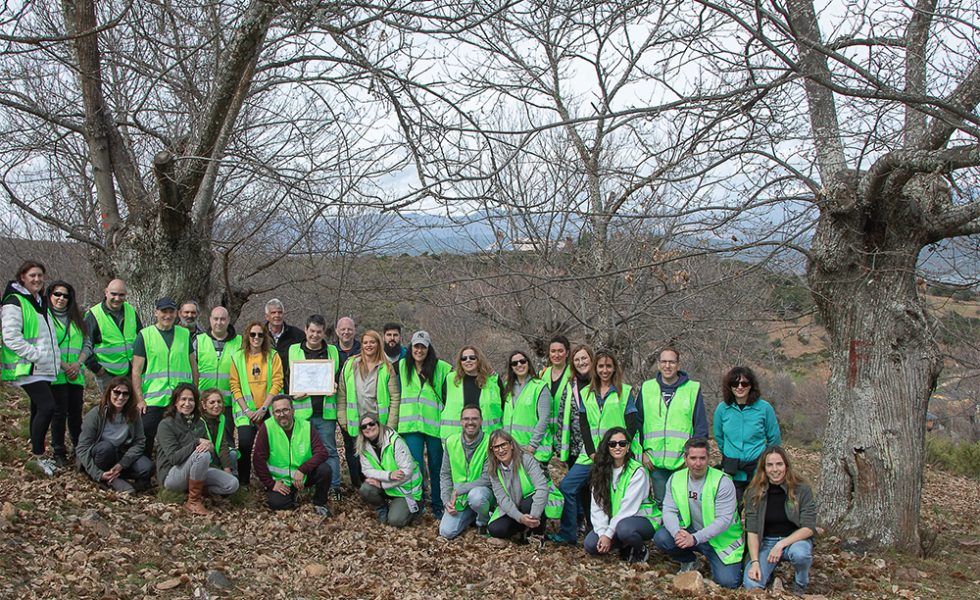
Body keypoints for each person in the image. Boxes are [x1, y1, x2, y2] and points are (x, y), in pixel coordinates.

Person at [552, 349, 638, 546]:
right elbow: (583, 424)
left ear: (614, 367)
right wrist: (591, 451)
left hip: (616, 452)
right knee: (568, 486)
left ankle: (609, 535)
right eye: (601, 366)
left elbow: (632, 424)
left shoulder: (624, 392)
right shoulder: (586, 393)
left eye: (608, 366)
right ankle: (568, 533)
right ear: (595, 368)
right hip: (590, 454)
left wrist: (620, 448)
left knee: (609, 493)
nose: (604, 370)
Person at [654, 438, 743, 589]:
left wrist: (695, 538)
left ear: (708, 458)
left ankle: (741, 562)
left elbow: (724, 520)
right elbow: (669, 510)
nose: (698, 463)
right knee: (662, 537)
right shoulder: (676, 478)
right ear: (685, 458)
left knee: (729, 582)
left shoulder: (723, 482)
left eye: (702, 458)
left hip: (720, 540)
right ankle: (689, 559)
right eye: (693, 458)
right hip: (691, 532)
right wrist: (676, 533)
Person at [1, 260, 61, 475]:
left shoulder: (38, 300)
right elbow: (10, 337)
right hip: (28, 367)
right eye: (32, 275)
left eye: (40, 275)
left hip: (41, 367)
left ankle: (38, 454)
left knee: (38, 409)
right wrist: (37, 356)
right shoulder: (14, 301)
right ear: (22, 277)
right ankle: (37, 456)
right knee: (48, 407)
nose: (37, 279)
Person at [637, 347, 709, 506]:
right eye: (663, 362)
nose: (667, 366)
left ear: (678, 365)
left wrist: (692, 457)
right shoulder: (647, 388)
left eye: (671, 362)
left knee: (684, 505)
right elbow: (637, 424)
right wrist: (641, 452)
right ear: (658, 364)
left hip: (682, 463)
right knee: (661, 505)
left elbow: (700, 427)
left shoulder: (692, 389)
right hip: (654, 462)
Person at [155, 384, 239, 515]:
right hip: (171, 475)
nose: (187, 403)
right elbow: (173, 458)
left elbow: (210, 447)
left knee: (232, 484)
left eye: (191, 400)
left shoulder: (199, 423)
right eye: (183, 399)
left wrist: (210, 446)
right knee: (202, 455)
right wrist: (197, 443)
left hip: (195, 468)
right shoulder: (166, 424)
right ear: (175, 402)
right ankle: (193, 502)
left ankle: (193, 489)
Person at [743, 446, 816, 596]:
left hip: (794, 540)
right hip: (766, 542)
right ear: (764, 468)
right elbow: (752, 530)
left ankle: (801, 584)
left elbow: (808, 527)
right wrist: (755, 562)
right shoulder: (754, 492)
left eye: (779, 464)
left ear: (786, 465)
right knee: (751, 585)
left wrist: (781, 544)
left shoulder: (802, 489)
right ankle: (768, 573)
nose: (775, 469)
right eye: (769, 465)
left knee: (800, 554)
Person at [131, 297, 198, 457]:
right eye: (163, 311)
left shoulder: (184, 334)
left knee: (181, 438)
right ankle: (144, 472)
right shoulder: (145, 335)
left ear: (176, 314)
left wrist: (194, 393)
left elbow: (194, 367)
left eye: (171, 312)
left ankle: (176, 473)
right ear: (156, 313)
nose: (167, 315)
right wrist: (139, 398)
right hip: (154, 399)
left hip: (180, 399)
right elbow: (136, 370)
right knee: (146, 435)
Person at [285, 314, 342, 499]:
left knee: (330, 451)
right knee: (301, 451)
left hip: (325, 412)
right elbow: (287, 380)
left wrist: (335, 386)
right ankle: (300, 485)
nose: (315, 335)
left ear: (323, 332)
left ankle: (334, 487)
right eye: (312, 331)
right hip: (301, 412)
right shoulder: (294, 350)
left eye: (319, 332)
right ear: (305, 330)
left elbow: (338, 378)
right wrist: (293, 393)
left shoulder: (333, 351)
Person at [396, 330, 452, 517]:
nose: (419, 350)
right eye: (416, 346)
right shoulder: (402, 366)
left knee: (437, 466)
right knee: (414, 466)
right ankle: (417, 503)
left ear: (428, 349)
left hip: (434, 425)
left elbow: (460, 378)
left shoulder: (442, 368)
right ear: (411, 347)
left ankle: (438, 503)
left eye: (423, 347)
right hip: (410, 426)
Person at [586, 427, 660, 563]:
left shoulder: (637, 471)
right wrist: (603, 533)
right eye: (612, 444)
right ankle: (623, 545)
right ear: (607, 447)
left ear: (628, 447)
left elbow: (628, 508)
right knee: (591, 544)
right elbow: (597, 506)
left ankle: (640, 549)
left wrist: (608, 535)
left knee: (625, 529)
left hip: (641, 519)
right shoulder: (601, 470)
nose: (617, 447)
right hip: (616, 521)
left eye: (622, 443)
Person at [337, 330, 400, 489]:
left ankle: (379, 490)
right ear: (361, 345)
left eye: (372, 342)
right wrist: (343, 418)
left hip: (378, 422)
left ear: (378, 344)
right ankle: (359, 487)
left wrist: (390, 424)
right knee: (355, 456)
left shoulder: (386, 367)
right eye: (365, 342)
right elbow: (342, 394)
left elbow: (394, 397)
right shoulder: (351, 364)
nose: (369, 345)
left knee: (377, 457)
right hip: (355, 420)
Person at [253, 395, 333, 515]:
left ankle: (319, 503)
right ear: (273, 413)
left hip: (303, 476)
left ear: (293, 410)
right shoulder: (267, 427)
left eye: (285, 410)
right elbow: (258, 459)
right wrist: (271, 483)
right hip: (281, 481)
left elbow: (322, 453)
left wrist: (302, 470)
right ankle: (295, 498)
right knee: (277, 504)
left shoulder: (306, 426)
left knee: (325, 470)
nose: (282, 414)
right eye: (277, 411)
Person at [714, 366, 781, 504]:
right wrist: (729, 454)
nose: (740, 387)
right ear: (730, 386)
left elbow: (774, 438)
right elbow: (719, 437)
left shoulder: (764, 408)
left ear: (751, 385)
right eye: (735, 383)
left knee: (757, 509)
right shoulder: (722, 409)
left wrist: (766, 460)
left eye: (744, 383)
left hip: (757, 469)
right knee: (732, 511)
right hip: (732, 470)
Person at [75, 377, 153, 493]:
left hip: (122, 454)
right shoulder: (96, 414)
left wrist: (122, 464)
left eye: (125, 394)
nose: (120, 397)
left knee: (147, 467)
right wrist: (98, 474)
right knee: (106, 448)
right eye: (116, 392)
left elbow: (139, 442)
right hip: (101, 454)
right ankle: (104, 478)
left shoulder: (133, 414)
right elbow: (82, 448)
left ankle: (117, 476)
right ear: (109, 392)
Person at [229, 321, 284, 487]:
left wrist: (264, 408)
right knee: (245, 445)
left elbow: (277, 382)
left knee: (269, 447)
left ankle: (271, 481)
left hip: (267, 410)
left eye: (260, 334)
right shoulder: (238, 357)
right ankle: (244, 482)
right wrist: (246, 410)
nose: (256, 338)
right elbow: (234, 385)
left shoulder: (273, 356)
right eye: (253, 334)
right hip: (246, 412)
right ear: (247, 336)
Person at [47, 280, 90, 468]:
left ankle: (78, 448)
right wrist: (65, 366)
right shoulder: (45, 317)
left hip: (76, 374)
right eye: (57, 294)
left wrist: (78, 363)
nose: (61, 299)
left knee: (75, 413)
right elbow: (47, 346)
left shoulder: (77, 318)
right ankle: (58, 451)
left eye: (65, 295)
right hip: (56, 374)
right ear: (50, 295)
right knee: (59, 413)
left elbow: (87, 344)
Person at [486, 429, 553, 546]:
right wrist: (520, 518)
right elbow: (502, 499)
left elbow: (542, 487)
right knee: (495, 529)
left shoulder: (526, 459)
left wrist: (534, 516)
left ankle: (538, 533)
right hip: (515, 507)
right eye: (496, 447)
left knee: (527, 504)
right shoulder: (493, 469)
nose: (500, 450)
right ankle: (522, 529)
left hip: (533, 505)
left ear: (511, 445)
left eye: (503, 445)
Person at [357, 413, 423, 527]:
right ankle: (382, 507)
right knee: (366, 489)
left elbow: (407, 472)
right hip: (388, 484)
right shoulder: (363, 446)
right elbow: (367, 470)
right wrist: (388, 475)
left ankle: (416, 507)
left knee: (395, 521)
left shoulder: (395, 441)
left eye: (371, 424)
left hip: (406, 489)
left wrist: (382, 485)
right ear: (361, 431)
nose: (368, 428)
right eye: (364, 426)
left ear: (378, 424)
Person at [439, 406, 493, 539]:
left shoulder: (489, 442)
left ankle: (482, 522)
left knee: (477, 497)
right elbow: (445, 474)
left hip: (483, 495)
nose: (470, 422)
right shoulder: (451, 441)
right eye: (466, 419)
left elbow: (487, 478)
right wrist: (446, 501)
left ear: (481, 421)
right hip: (460, 500)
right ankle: (471, 515)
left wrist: (459, 490)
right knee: (446, 532)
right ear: (461, 421)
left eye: (474, 418)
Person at [83, 278, 141, 391]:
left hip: (130, 370)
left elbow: (141, 339)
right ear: (106, 292)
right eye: (113, 294)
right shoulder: (93, 315)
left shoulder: (131, 311)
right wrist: (97, 369)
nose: (117, 298)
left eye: (121, 295)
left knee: (130, 406)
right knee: (110, 407)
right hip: (107, 374)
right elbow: (85, 345)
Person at [500, 349, 553, 466]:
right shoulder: (507, 388)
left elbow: (544, 420)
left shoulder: (540, 387)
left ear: (528, 363)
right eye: (515, 363)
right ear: (511, 368)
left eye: (522, 361)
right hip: (512, 450)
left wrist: (532, 446)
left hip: (534, 452)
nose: (519, 365)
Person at [195, 306, 241, 438]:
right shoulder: (198, 341)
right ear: (210, 320)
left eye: (222, 319)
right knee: (204, 441)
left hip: (228, 403)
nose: (219, 322)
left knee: (226, 441)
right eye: (216, 319)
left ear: (228, 320)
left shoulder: (240, 342)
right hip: (203, 403)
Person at [439, 345, 503, 439]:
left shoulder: (493, 380)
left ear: (479, 359)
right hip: (456, 440)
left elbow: (504, 407)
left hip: (487, 438)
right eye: (464, 358)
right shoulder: (450, 379)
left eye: (472, 358)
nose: (468, 360)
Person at [542, 335, 572, 451]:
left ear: (567, 353)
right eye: (553, 351)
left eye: (560, 351)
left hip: (566, 434)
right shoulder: (542, 375)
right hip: (547, 436)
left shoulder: (573, 375)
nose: (556, 355)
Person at [200, 388, 237, 475]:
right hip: (204, 458)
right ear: (204, 405)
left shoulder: (222, 418)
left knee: (232, 454)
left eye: (219, 402)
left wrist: (227, 469)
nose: (216, 405)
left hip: (216, 455)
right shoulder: (198, 421)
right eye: (212, 402)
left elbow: (223, 445)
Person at [263, 298, 304, 365]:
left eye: (280, 312)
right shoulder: (259, 335)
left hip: (290, 374)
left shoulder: (297, 335)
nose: (277, 315)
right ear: (267, 316)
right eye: (273, 313)